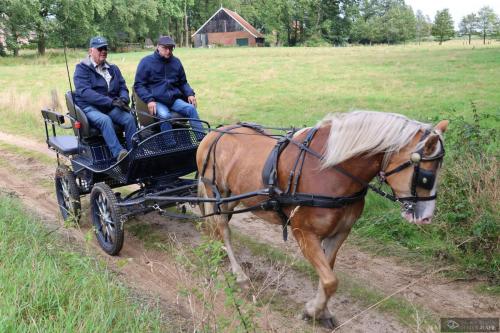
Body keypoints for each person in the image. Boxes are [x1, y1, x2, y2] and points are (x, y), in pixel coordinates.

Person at [74, 36, 137, 161]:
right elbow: (86, 92)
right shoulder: (81, 69)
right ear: (91, 51)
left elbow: (122, 87)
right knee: (105, 120)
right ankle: (120, 155)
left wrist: (124, 99)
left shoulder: (113, 68)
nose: (103, 51)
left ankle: (134, 153)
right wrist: (111, 101)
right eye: (100, 48)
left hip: (109, 106)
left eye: (105, 48)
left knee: (129, 118)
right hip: (90, 107)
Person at [133, 36, 203, 140]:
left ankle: (201, 139)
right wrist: (149, 100)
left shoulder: (176, 62)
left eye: (170, 48)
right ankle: (170, 145)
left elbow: (183, 82)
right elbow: (139, 85)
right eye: (165, 48)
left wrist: (190, 94)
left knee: (191, 109)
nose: (168, 51)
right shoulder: (146, 62)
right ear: (158, 47)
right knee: (165, 116)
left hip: (174, 100)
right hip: (157, 100)